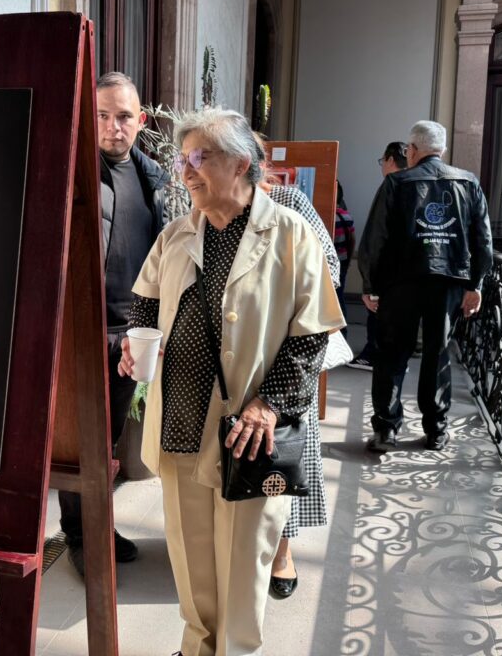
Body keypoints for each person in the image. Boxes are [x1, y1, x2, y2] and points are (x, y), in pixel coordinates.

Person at [120, 108, 345, 656]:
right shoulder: (177, 234)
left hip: (249, 432)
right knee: (191, 555)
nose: (187, 171)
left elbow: (313, 332)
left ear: (242, 163)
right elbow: (144, 305)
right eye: (184, 159)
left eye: (200, 158)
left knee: (244, 561)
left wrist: (269, 405)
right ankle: (197, 645)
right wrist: (134, 347)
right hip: (179, 423)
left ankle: (235, 650)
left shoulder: (290, 232)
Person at [59, 71, 168, 576]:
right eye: (102, 116)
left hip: (132, 333)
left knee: (108, 440)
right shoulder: (74, 172)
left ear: (140, 121)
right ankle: (81, 537)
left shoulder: (154, 177)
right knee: (80, 440)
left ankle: (99, 526)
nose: (112, 127)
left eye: (123, 116)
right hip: (83, 329)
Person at [359, 121, 493, 453]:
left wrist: (370, 285)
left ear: (412, 151)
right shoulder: (468, 182)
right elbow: (482, 240)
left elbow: (376, 239)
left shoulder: (396, 183)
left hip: (400, 283)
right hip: (448, 283)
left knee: (392, 353)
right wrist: (475, 284)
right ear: (442, 150)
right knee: (438, 352)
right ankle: (435, 430)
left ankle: (386, 430)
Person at [252, 135, 337, 600]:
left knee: (285, 455)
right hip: (230, 361)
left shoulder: (289, 201)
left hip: (287, 355)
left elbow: (329, 271)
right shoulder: (205, 208)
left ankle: (283, 552)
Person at [348, 141, 407, 371]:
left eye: (383, 160)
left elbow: (375, 236)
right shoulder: (416, 185)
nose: (382, 165)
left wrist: (368, 284)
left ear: (391, 160)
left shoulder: (391, 185)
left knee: (378, 314)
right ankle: (396, 358)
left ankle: (373, 355)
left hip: (385, 271)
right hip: (409, 273)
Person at [333, 182, 355, 336]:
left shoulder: (328, 216)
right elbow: (352, 239)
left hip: (332, 263)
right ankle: (343, 331)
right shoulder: (346, 215)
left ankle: (339, 332)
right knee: (340, 296)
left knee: (334, 298)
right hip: (344, 260)